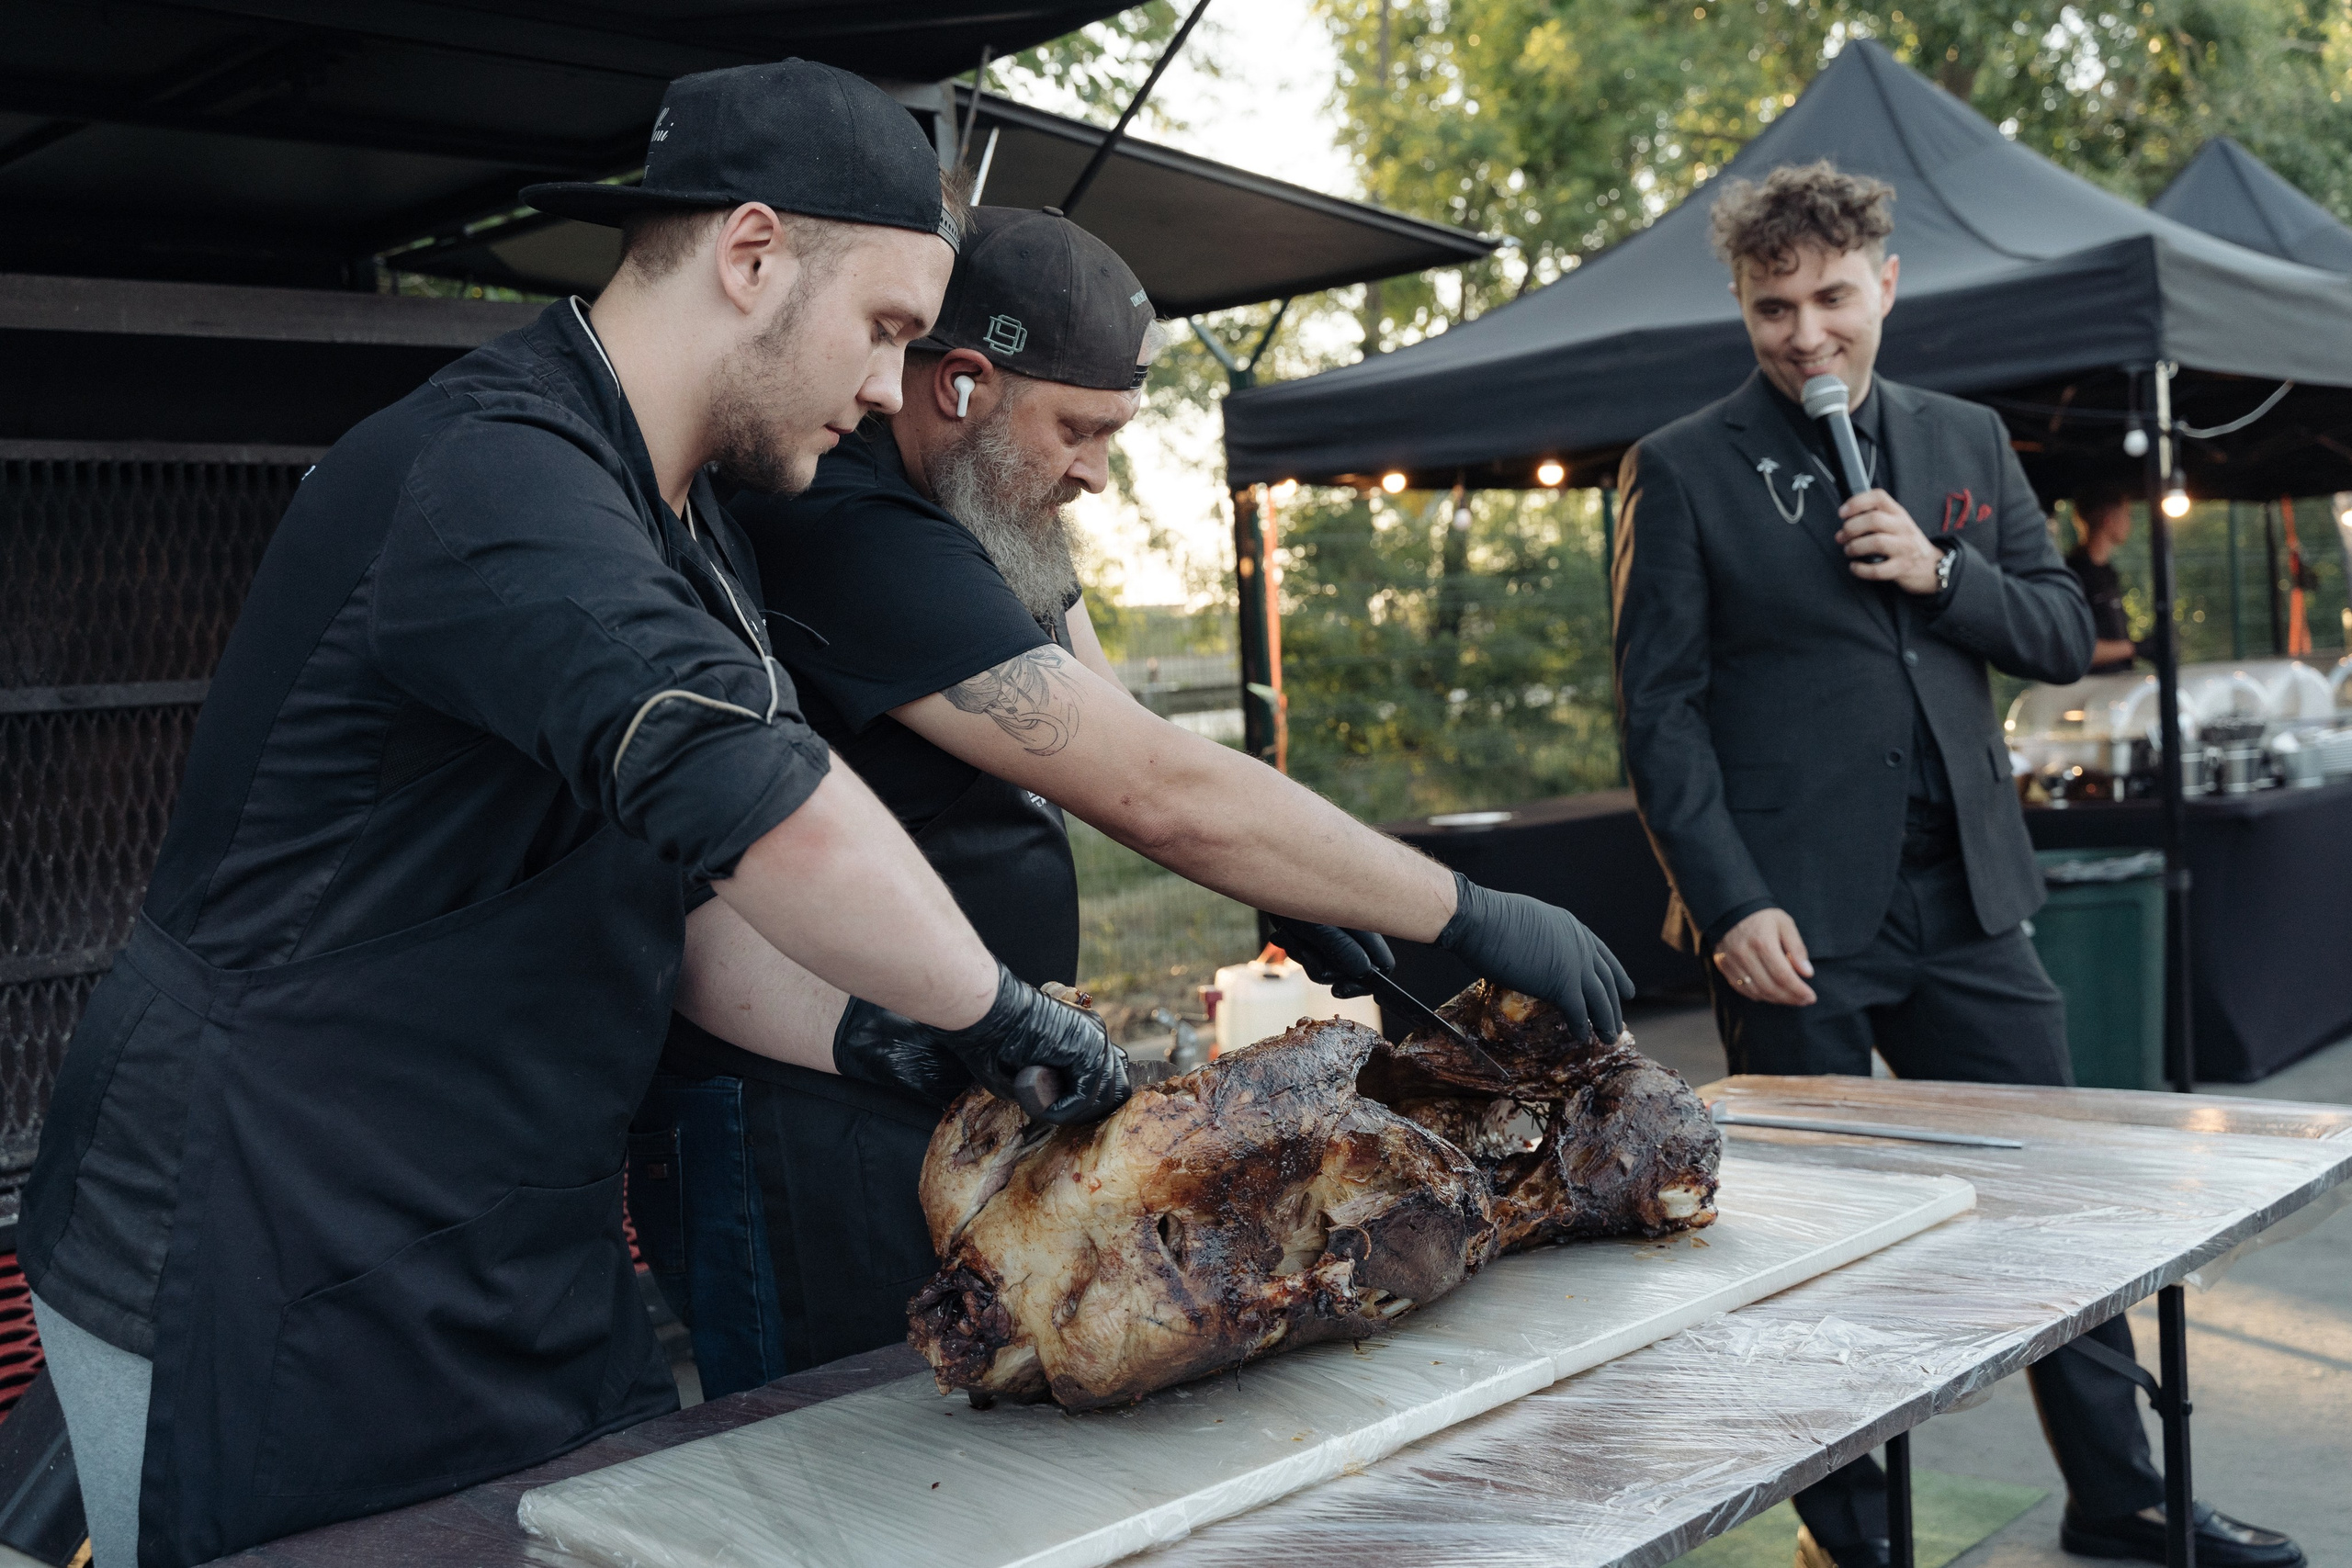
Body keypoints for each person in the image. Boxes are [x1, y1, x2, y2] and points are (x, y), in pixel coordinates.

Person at [18, 64, 1128, 1568]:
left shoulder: (692, 520)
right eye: (881, 328)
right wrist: (998, 1009)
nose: (888, 387)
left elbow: (693, 911)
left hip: (509, 1242)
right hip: (255, 1236)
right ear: (750, 257)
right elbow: (768, 811)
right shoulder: (491, 472)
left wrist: (889, 1037)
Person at [632, 206, 1636, 1388]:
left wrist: (1312, 888)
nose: (1097, 475)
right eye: (1080, 429)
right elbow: (1155, 791)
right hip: (799, 1111)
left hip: (948, 1082)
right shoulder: (841, 523)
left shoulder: (980, 510)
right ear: (962, 383)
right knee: (845, 1477)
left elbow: (1126, 731)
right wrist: (1466, 911)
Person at [1611, 162, 2301, 1568]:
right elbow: (1657, 714)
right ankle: (1855, 1538)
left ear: (1888, 286)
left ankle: (2123, 1498)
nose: (1806, 335)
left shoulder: (1971, 441)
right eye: (1773, 308)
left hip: (1973, 903)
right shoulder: (1678, 466)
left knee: (2059, 1208)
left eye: (1831, 299)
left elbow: (2055, 630)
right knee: (1809, 1238)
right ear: (1745, 311)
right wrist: (1729, 899)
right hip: (1793, 923)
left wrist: (1942, 573)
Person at [2067, 481, 2144, 672]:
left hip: (2116, 686)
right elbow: (2075, 648)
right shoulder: (2074, 574)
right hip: (2089, 692)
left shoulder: (2107, 571)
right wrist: (2135, 648)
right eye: (2127, 515)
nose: (2129, 524)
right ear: (2109, 519)